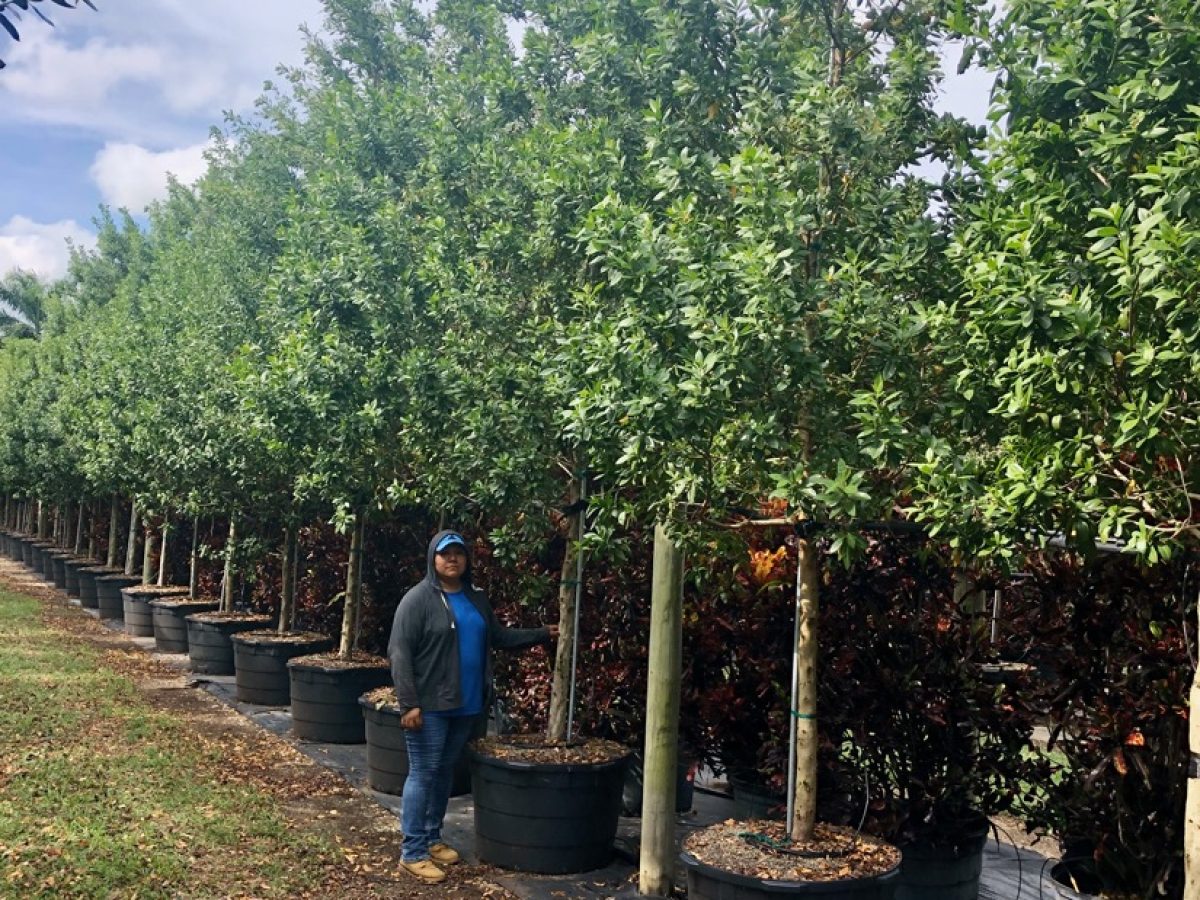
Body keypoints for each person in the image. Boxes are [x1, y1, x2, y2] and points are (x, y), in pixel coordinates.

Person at [388, 529, 558, 884]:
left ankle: (432, 837)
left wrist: (543, 633)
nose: (453, 559)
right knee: (423, 773)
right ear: (432, 559)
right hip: (430, 706)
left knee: (445, 771)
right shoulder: (417, 600)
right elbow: (399, 653)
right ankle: (412, 851)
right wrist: (409, 704)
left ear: (467, 560)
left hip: (466, 705)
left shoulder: (475, 598)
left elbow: (499, 637)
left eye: (459, 554)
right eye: (445, 553)